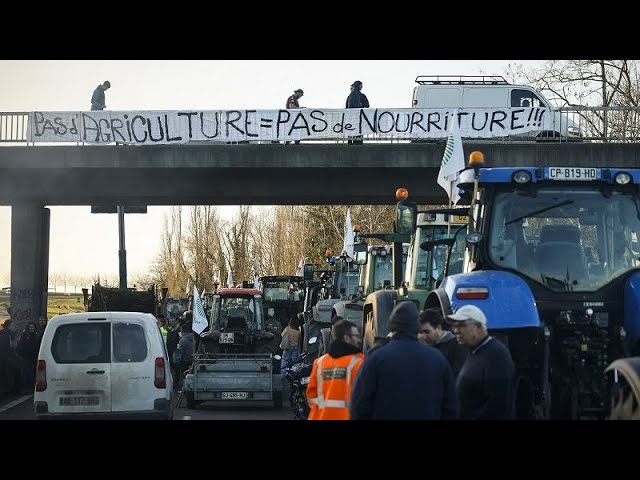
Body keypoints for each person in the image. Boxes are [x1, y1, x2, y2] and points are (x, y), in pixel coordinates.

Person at [350, 302, 457, 420]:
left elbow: (359, 405)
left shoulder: (376, 358)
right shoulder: (438, 359)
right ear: (416, 327)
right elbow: (450, 407)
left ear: (392, 327)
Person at [447, 304, 516, 420]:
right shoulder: (475, 351)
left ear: (479, 327)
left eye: (462, 325)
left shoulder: (496, 355)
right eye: (454, 326)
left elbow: (498, 406)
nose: (456, 331)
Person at [306, 319, 364, 420]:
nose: (359, 340)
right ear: (347, 338)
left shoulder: (319, 363)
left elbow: (311, 395)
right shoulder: (358, 363)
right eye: (356, 336)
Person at [419, 307, 468, 377]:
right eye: (421, 332)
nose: (424, 336)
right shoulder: (422, 347)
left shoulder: (457, 346)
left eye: (427, 332)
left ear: (438, 328)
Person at [345, 80, 369, 144]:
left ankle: (350, 141)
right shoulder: (362, 96)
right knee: (358, 136)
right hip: (359, 118)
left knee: (351, 131)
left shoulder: (350, 96)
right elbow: (367, 106)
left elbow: (347, 107)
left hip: (351, 118)